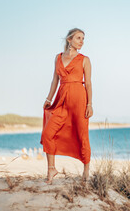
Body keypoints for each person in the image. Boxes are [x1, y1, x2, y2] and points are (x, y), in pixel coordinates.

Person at [40, 28, 93, 185]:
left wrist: (90, 104)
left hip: (79, 100)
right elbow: (55, 81)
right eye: (78, 38)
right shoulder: (58, 58)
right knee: (48, 134)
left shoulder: (85, 59)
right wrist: (49, 98)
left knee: (82, 134)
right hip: (61, 100)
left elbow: (88, 83)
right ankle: (51, 169)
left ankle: (86, 171)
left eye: (83, 38)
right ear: (69, 39)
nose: (82, 41)